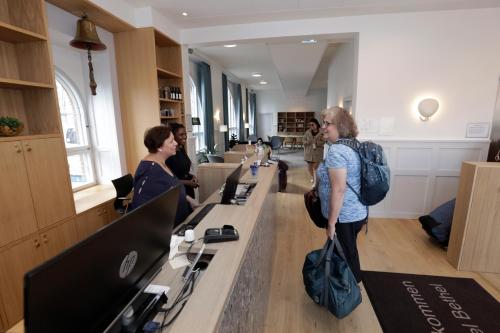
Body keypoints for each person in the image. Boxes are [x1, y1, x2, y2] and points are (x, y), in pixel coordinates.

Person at [316, 107, 367, 283]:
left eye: (327, 123)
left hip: (344, 216)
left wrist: (331, 223)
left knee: (346, 256)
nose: (323, 127)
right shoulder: (353, 144)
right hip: (356, 212)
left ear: (340, 125)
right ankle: (342, 286)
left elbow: (339, 189)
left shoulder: (337, 151)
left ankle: (348, 293)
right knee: (346, 251)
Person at [129, 125, 197, 226]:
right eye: (171, 141)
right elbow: (139, 210)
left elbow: (173, 185)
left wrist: (189, 200)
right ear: (159, 147)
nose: (175, 143)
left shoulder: (161, 163)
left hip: (180, 224)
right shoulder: (148, 172)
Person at [165, 123, 199, 198]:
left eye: (185, 134)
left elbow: (183, 171)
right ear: (172, 136)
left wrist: (192, 176)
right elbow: (169, 179)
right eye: (181, 134)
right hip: (177, 191)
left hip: (188, 189)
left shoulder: (181, 149)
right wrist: (188, 182)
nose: (185, 137)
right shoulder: (169, 154)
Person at [303, 118, 324, 185]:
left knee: (315, 168)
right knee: (309, 168)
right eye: (310, 125)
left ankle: (316, 181)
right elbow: (303, 140)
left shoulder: (321, 133)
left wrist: (316, 143)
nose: (311, 126)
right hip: (309, 153)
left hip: (317, 153)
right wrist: (307, 142)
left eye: (313, 124)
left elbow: (324, 141)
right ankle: (313, 177)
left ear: (316, 124)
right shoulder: (307, 132)